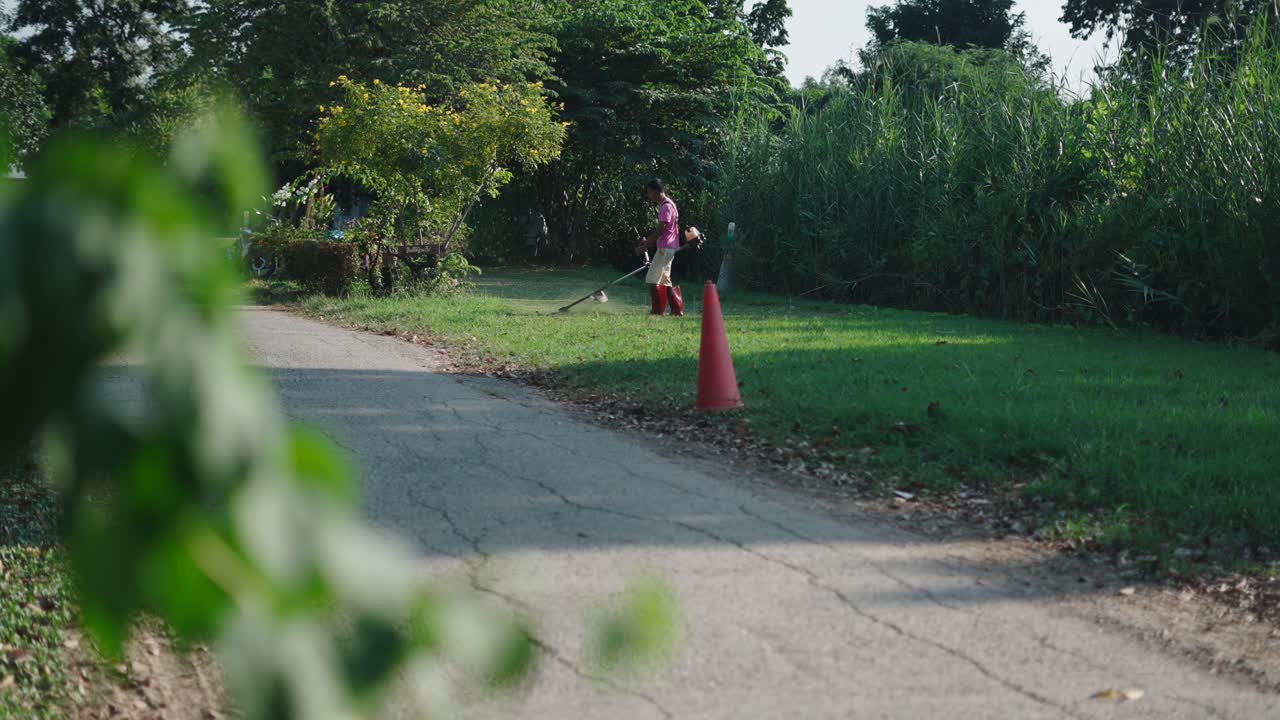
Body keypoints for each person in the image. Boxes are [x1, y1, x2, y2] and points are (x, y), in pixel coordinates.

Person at [636, 178, 685, 317]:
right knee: (664, 279)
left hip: (665, 248)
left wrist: (645, 245)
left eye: (650, 192)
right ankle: (676, 309)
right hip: (670, 247)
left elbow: (660, 230)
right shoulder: (670, 204)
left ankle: (657, 311)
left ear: (656, 191)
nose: (649, 195)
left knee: (652, 278)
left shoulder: (666, 207)